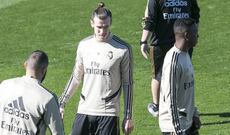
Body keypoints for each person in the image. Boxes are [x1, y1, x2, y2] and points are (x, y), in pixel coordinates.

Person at [59, 2, 134, 135]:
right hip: (84, 110)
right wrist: (61, 103)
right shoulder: (84, 45)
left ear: (110, 23)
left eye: (106, 27)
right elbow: (76, 77)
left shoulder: (122, 49)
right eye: (99, 27)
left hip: (109, 113)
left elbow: (128, 84)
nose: (102, 31)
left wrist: (128, 116)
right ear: (92, 23)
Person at [140, 0, 200, 117]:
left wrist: (143, 41)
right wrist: (143, 40)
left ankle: (169, 106)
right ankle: (162, 105)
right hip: (171, 43)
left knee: (171, 74)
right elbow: (150, 20)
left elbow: (195, 15)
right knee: (164, 74)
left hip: (174, 43)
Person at [0, 50, 65, 135]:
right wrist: (60, 122)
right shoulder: (48, 98)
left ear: (25, 65)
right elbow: (58, 133)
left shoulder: (4, 85)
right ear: (44, 70)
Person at [158, 18, 201, 135]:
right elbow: (170, 99)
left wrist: (194, 113)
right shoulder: (173, 61)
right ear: (186, 35)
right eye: (195, 33)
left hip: (187, 121)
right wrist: (177, 130)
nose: (198, 35)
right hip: (175, 127)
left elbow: (187, 90)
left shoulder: (185, 54)